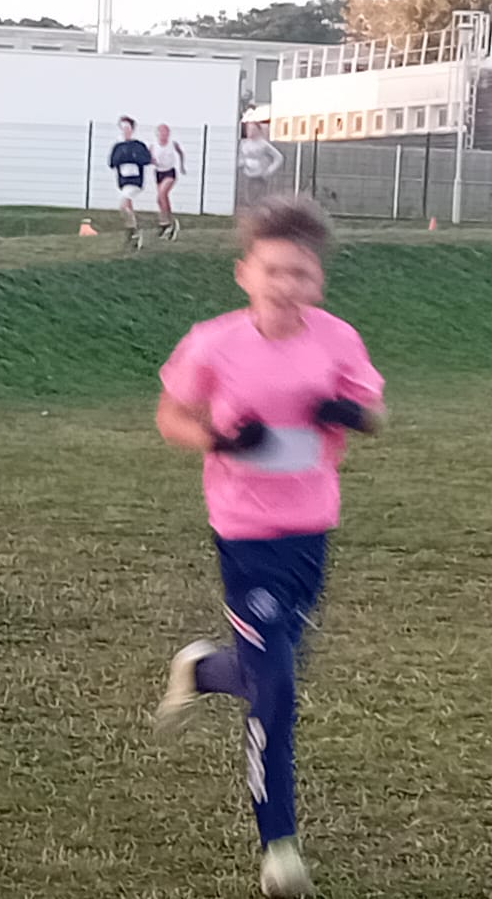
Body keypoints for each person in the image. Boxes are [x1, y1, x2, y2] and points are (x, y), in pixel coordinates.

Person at [151, 195, 384, 899]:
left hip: (309, 533)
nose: (286, 285)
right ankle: (279, 848)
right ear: (244, 273)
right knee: (277, 688)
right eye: (273, 270)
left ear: (318, 282)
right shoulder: (213, 343)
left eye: (300, 274)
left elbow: (374, 411)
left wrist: (348, 413)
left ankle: (202, 670)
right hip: (244, 535)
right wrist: (220, 440)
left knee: (268, 669)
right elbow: (171, 415)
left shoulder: (336, 339)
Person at [108, 116, 155, 251]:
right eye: (123, 128)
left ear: (132, 129)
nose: (125, 131)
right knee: (128, 207)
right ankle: (133, 234)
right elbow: (112, 162)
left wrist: (133, 157)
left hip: (135, 182)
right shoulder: (118, 146)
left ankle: (133, 231)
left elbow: (146, 159)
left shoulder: (138, 145)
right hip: (123, 181)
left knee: (123, 206)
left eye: (128, 128)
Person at [153, 123, 190, 241]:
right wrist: (152, 161)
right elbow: (147, 158)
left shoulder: (172, 144)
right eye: (161, 132)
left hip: (169, 172)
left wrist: (182, 166)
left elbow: (181, 153)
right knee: (160, 199)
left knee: (162, 194)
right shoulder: (153, 146)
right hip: (159, 173)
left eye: (166, 132)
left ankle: (169, 223)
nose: (164, 135)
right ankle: (165, 223)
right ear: (157, 134)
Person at [237, 122, 285, 207]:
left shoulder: (263, 144)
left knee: (257, 200)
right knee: (246, 200)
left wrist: (269, 170)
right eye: (249, 129)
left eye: (253, 129)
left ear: (258, 130)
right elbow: (240, 157)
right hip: (246, 176)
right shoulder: (244, 143)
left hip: (259, 177)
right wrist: (241, 163)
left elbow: (279, 157)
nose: (250, 131)